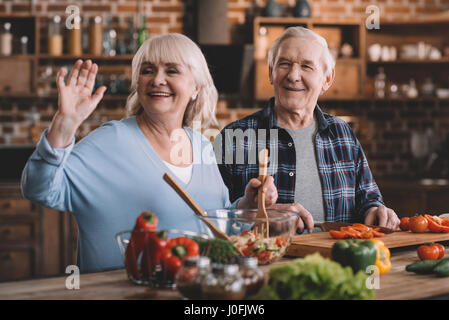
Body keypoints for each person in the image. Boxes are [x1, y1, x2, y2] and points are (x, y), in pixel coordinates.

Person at [21, 33, 277, 273]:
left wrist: (247, 205)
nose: (157, 80)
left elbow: (218, 224)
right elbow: (40, 189)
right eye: (147, 71)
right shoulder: (110, 141)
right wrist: (64, 125)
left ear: (195, 88)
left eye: (172, 70)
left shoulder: (201, 145)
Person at [217, 27, 400, 233]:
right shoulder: (235, 138)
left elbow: (368, 199)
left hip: (338, 263)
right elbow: (214, 218)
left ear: (327, 79)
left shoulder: (343, 135)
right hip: (266, 263)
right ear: (271, 72)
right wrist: (260, 217)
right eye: (284, 64)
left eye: (306, 66)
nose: (293, 75)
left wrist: (377, 211)